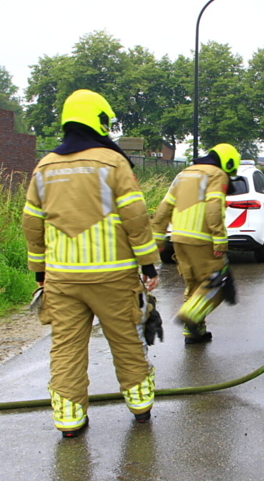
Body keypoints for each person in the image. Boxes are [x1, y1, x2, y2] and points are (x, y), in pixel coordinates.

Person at [22, 89, 161, 438]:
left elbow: (32, 224)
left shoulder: (44, 166)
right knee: (127, 341)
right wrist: (148, 265)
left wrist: (39, 272)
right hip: (113, 275)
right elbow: (135, 216)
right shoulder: (113, 162)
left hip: (62, 279)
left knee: (66, 349)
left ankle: (69, 421)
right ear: (98, 119)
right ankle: (140, 408)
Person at [151, 144, 239, 344]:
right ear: (228, 162)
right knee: (218, 282)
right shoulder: (217, 174)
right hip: (202, 239)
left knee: (194, 284)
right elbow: (214, 207)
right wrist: (219, 240)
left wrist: (158, 237)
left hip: (178, 239)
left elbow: (165, 206)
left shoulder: (184, 174)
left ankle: (194, 333)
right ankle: (190, 315)